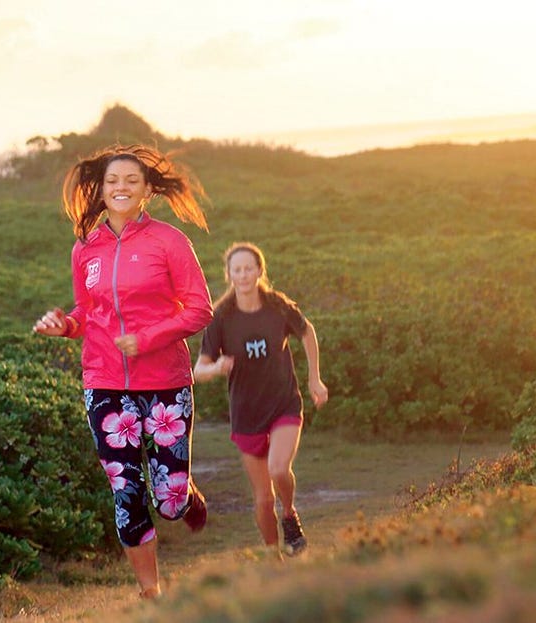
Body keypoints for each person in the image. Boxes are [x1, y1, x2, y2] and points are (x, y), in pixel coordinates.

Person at [34, 144, 212, 600]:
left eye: (131, 181)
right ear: (102, 188)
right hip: (104, 383)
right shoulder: (85, 248)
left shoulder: (170, 242)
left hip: (166, 383)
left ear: (147, 190)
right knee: (127, 494)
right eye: (113, 181)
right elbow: (85, 311)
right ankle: (152, 595)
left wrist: (148, 338)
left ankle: (185, 496)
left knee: (168, 502)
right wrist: (65, 326)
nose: (121, 188)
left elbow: (199, 310)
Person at [194, 242, 328, 557]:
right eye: (236, 270)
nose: (242, 275)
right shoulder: (221, 318)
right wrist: (216, 367)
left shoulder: (278, 306)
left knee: (279, 468)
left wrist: (314, 379)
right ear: (229, 275)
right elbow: (199, 369)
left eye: (248, 268)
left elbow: (307, 332)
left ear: (259, 271)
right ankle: (273, 559)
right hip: (246, 413)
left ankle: (290, 513)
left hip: (283, 403)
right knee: (262, 499)